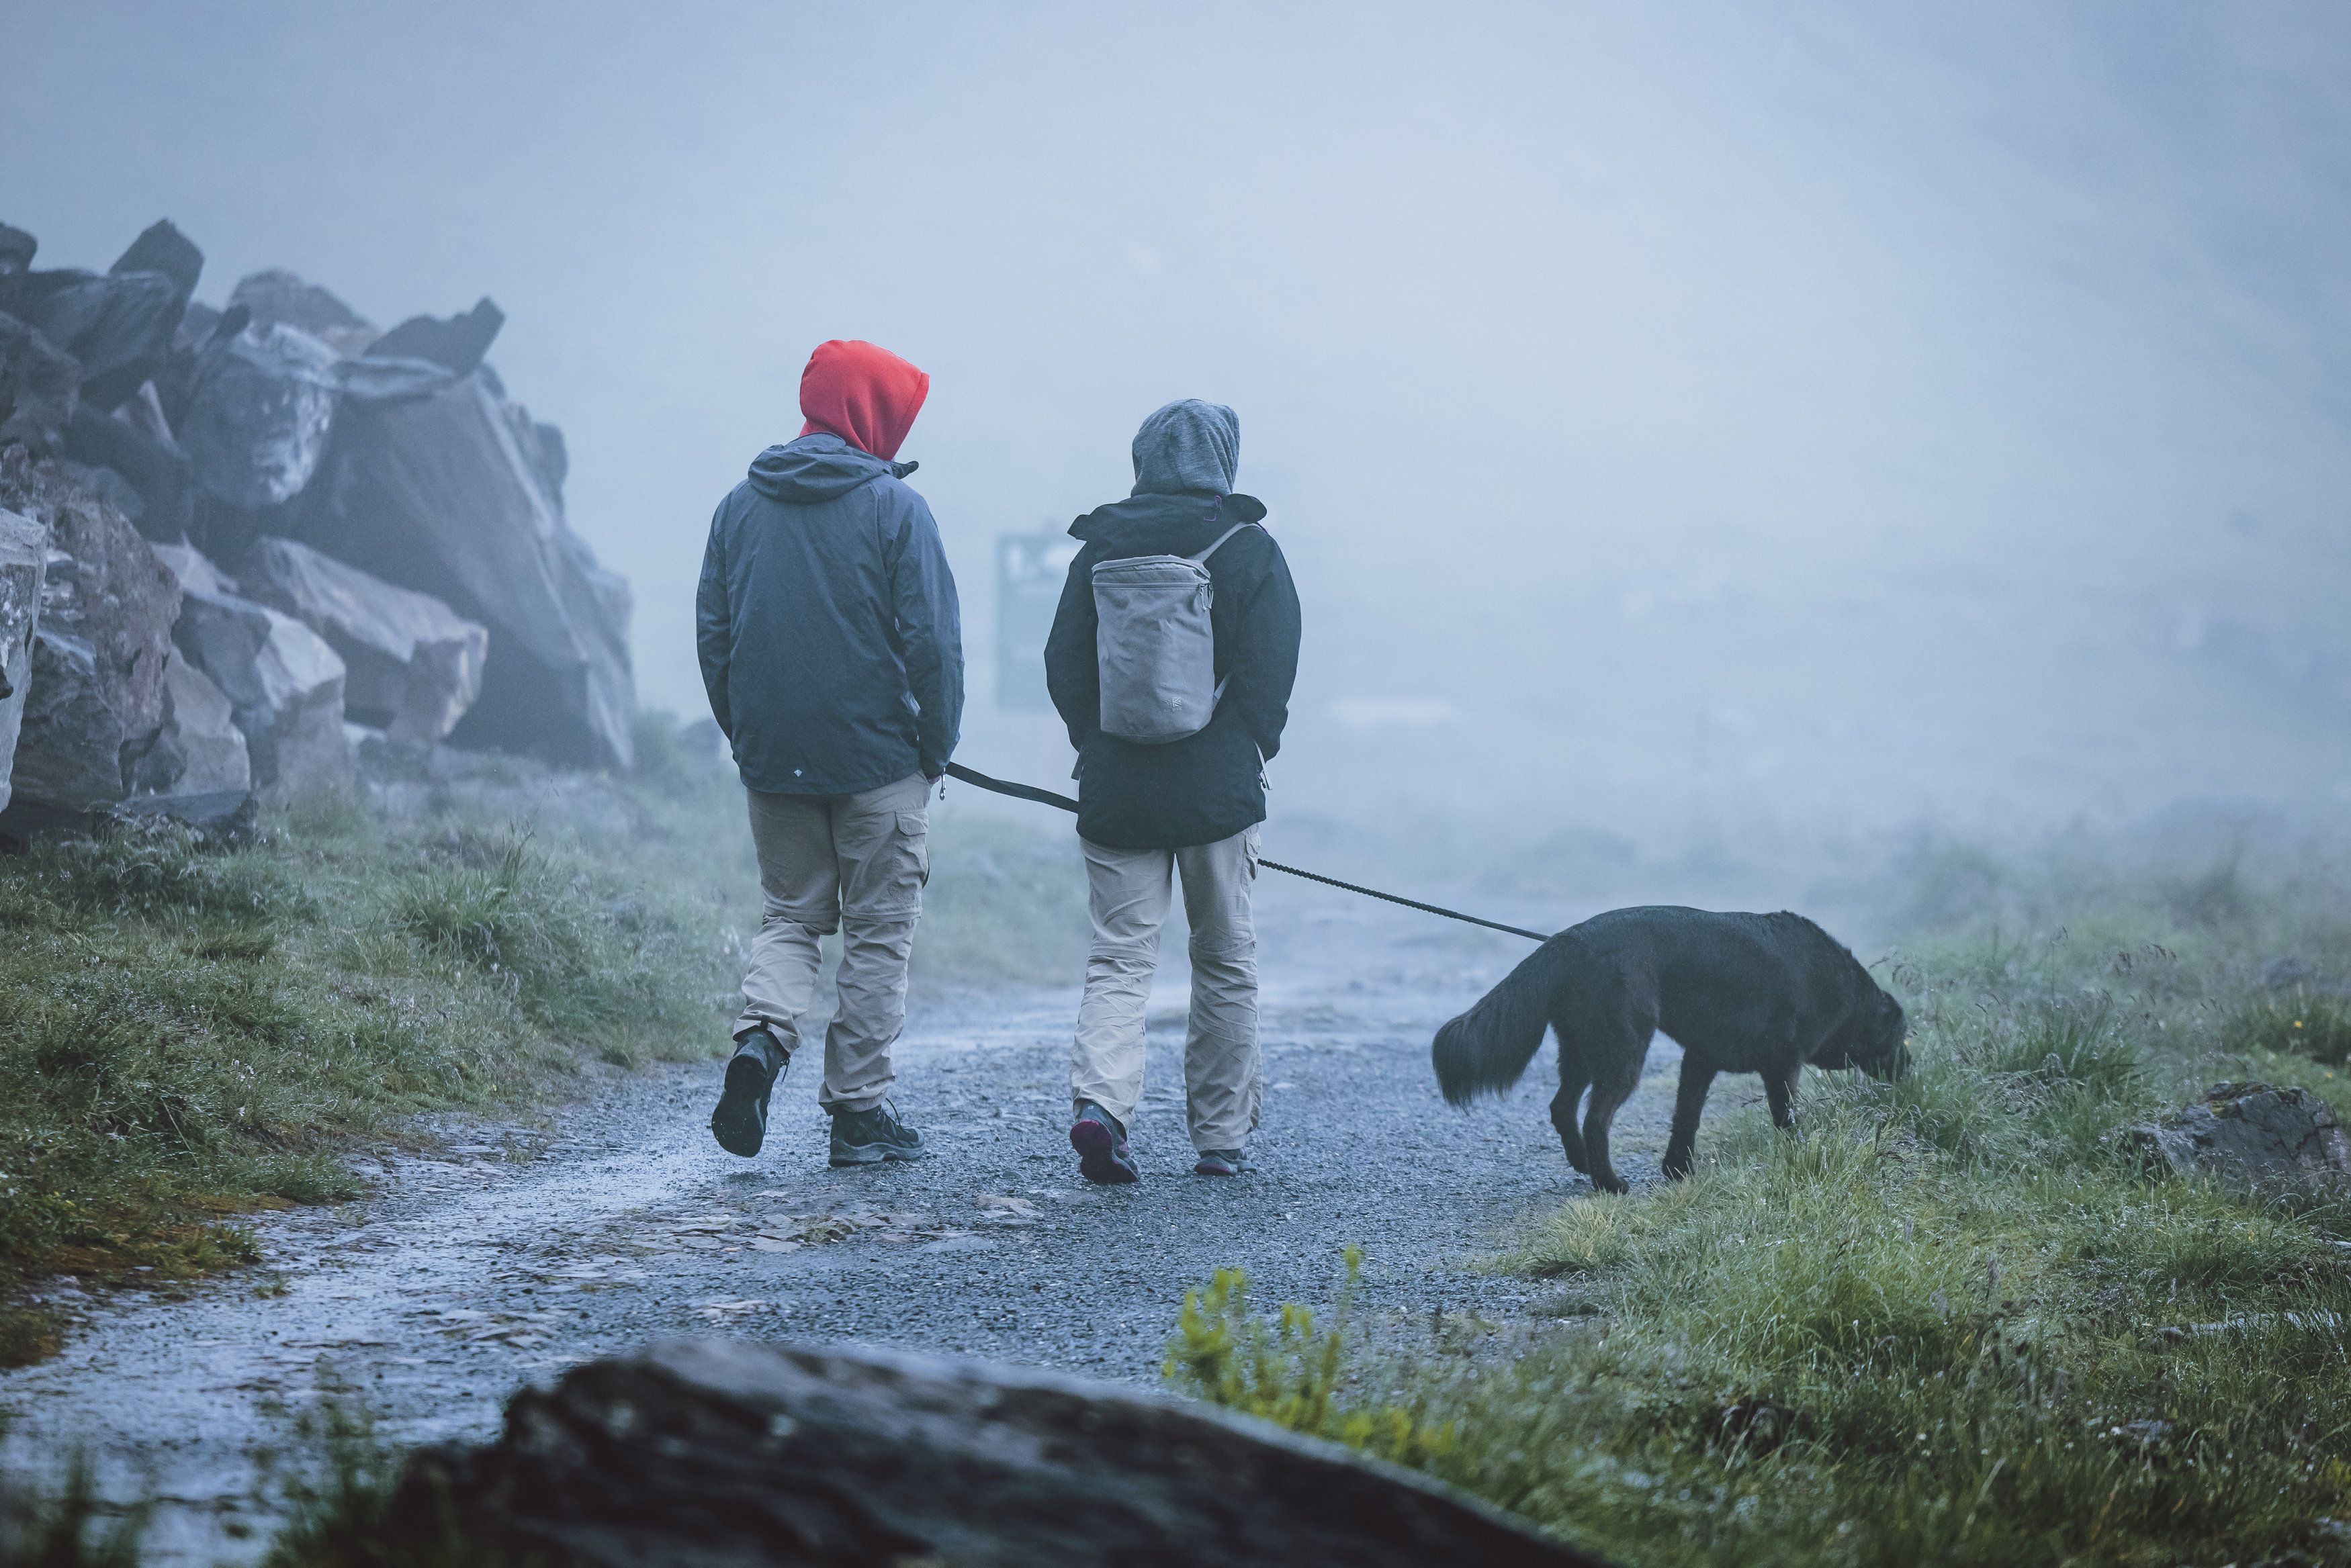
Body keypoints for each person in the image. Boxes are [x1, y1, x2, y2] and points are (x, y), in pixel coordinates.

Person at [697, 338, 963, 1167]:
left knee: (790, 917)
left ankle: (761, 1044)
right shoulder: (896, 511)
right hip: (879, 764)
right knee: (878, 936)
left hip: (775, 760)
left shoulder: (739, 505)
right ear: (873, 414)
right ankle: (857, 1112)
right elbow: (934, 648)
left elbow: (715, 637)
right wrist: (934, 747)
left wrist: (747, 735)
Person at [1043, 400, 1301, 1183]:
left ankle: (1100, 1107)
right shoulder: (1249, 548)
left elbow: (1064, 664)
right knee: (1222, 956)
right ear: (1223, 462)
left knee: (1120, 957)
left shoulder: (1098, 549)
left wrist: (1095, 745)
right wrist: (1249, 746)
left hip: (1117, 789)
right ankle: (1219, 1137)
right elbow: (1272, 667)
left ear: (1142, 459)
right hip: (1217, 789)